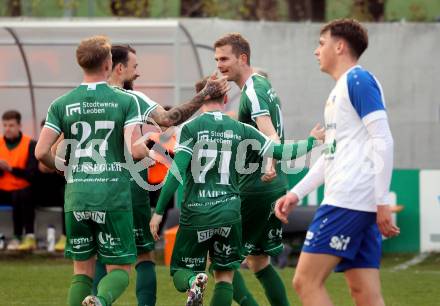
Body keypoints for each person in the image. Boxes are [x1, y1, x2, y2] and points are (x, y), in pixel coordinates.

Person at [149, 76, 323, 306]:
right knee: (224, 276)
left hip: (196, 213)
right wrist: (311, 142)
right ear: (226, 98)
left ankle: (193, 281)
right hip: (230, 214)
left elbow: (176, 172)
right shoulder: (240, 128)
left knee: (180, 270)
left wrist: (159, 211)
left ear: (200, 99)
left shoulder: (190, 128)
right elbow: (280, 151)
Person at [274, 19, 399, 306]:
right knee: (365, 294)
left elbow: (383, 139)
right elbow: (332, 153)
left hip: (347, 201)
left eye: (321, 43)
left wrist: (382, 201)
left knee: (305, 281)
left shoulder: (357, 80)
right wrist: (297, 192)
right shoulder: (341, 89)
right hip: (358, 203)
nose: (316, 51)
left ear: (340, 46)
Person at [92, 44, 227, 306]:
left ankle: (97, 299)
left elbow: (54, 148)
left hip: (92, 187)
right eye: (135, 67)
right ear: (119, 67)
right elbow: (168, 118)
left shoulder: (78, 99)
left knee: (98, 256)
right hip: (127, 186)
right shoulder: (133, 98)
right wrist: (204, 95)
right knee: (144, 257)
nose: (138, 73)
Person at [214, 33, 290, 306]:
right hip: (274, 185)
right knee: (258, 261)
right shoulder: (261, 85)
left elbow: (271, 136)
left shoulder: (253, 92)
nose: (219, 65)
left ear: (242, 58)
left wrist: (268, 163)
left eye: (224, 58)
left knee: (220, 258)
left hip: (256, 187)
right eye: (216, 59)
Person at [0, 110, 38, 251]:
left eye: (11, 125)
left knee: (22, 195)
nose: (7, 129)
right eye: (5, 125)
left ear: (19, 125)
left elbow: (31, 174)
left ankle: (24, 236)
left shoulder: (30, 144)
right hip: (3, 189)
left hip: (23, 190)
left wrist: (10, 169)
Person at [34, 119, 67, 252]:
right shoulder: (38, 148)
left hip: (63, 191)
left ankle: (66, 236)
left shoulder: (67, 145)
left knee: (67, 194)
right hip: (43, 193)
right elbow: (43, 167)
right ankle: (28, 236)